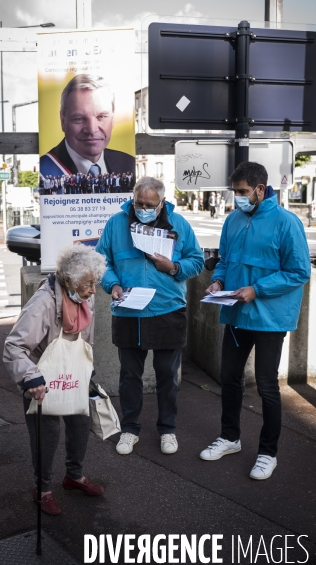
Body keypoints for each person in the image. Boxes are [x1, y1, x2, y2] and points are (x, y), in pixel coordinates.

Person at [200, 162, 310, 480]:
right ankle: (230, 438)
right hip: (236, 313)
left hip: (270, 319)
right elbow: (224, 260)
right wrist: (218, 282)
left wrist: (257, 289)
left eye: (243, 192)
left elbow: (299, 272)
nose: (238, 198)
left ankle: (267, 453)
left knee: (266, 386)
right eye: (235, 192)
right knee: (230, 378)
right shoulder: (233, 220)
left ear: (260, 190)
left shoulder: (287, 223)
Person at [96, 176, 204, 456]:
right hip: (128, 309)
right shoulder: (116, 223)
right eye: (138, 202)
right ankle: (130, 429)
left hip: (167, 309)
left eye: (149, 204)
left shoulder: (179, 225)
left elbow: (197, 261)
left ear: (162, 203)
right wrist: (113, 284)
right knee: (129, 375)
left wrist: (173, 267)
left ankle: (167, 429)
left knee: (168, 375)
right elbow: (101, 261)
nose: (142, 208)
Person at [3, 244, 107, 515]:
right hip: (41, 375)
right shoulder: (43, 303)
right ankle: (43, 488)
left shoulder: (84, 296)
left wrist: (87, 369)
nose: (93, 290)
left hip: (72, 371)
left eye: (95, 283)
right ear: (70, 280)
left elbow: (85, 337)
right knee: (46, 434)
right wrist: (31, 377)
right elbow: (14, 347)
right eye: (88, 284)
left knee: (81, 423)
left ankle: (73, 476)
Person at [40, 74, 135, 184]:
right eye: (79, 118)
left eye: (102, 117)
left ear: (113, 120)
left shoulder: (128, 163)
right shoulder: (45, 168)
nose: (92, 129)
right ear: (63, 121)